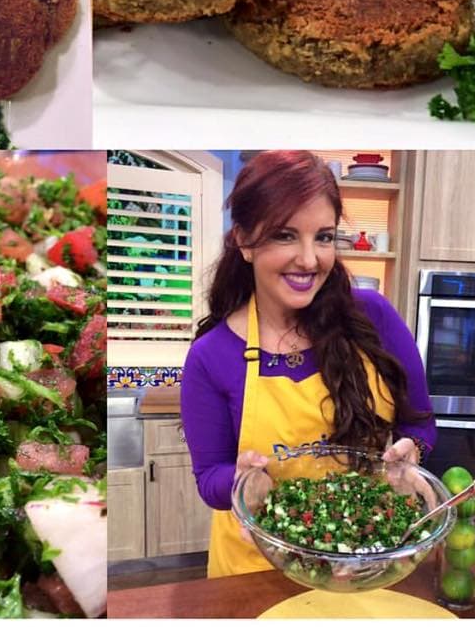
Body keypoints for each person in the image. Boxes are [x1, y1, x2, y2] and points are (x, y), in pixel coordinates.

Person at [180, 151, 436, 578]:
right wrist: (241, 481)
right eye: (285, 235)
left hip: (362, 561)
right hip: (256, 569)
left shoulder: (373, 317)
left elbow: (420, 425)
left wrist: (413, 451)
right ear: (243, 241)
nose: (309, 259)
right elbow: (210, 478)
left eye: (323, 237)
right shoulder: (211, 355)